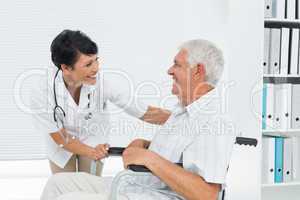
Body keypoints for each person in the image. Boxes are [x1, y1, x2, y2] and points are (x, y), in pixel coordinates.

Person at [40, 39, 236, 200]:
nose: (169, 70)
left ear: (197, 71)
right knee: (57, 183)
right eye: (88, 64)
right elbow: (181, 152)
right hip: (139, 185)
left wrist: (149, 158)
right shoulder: (183, 111)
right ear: (65, 68)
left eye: (176, 64)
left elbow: (207, 195)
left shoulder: (213, 121)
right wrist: (145, 145)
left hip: (153, 193)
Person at [30, 30, 171, 176]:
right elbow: (61, 137)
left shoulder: (103, 82)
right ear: (65, 68)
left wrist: (181, 117)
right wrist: (91, 152)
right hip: (61, 146)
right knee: (65, 186)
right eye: (88, 64)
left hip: (93, 139)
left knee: (90, 187)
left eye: (96, 60)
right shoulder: (42, 91)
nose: (96, 68)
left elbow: (143, 111)